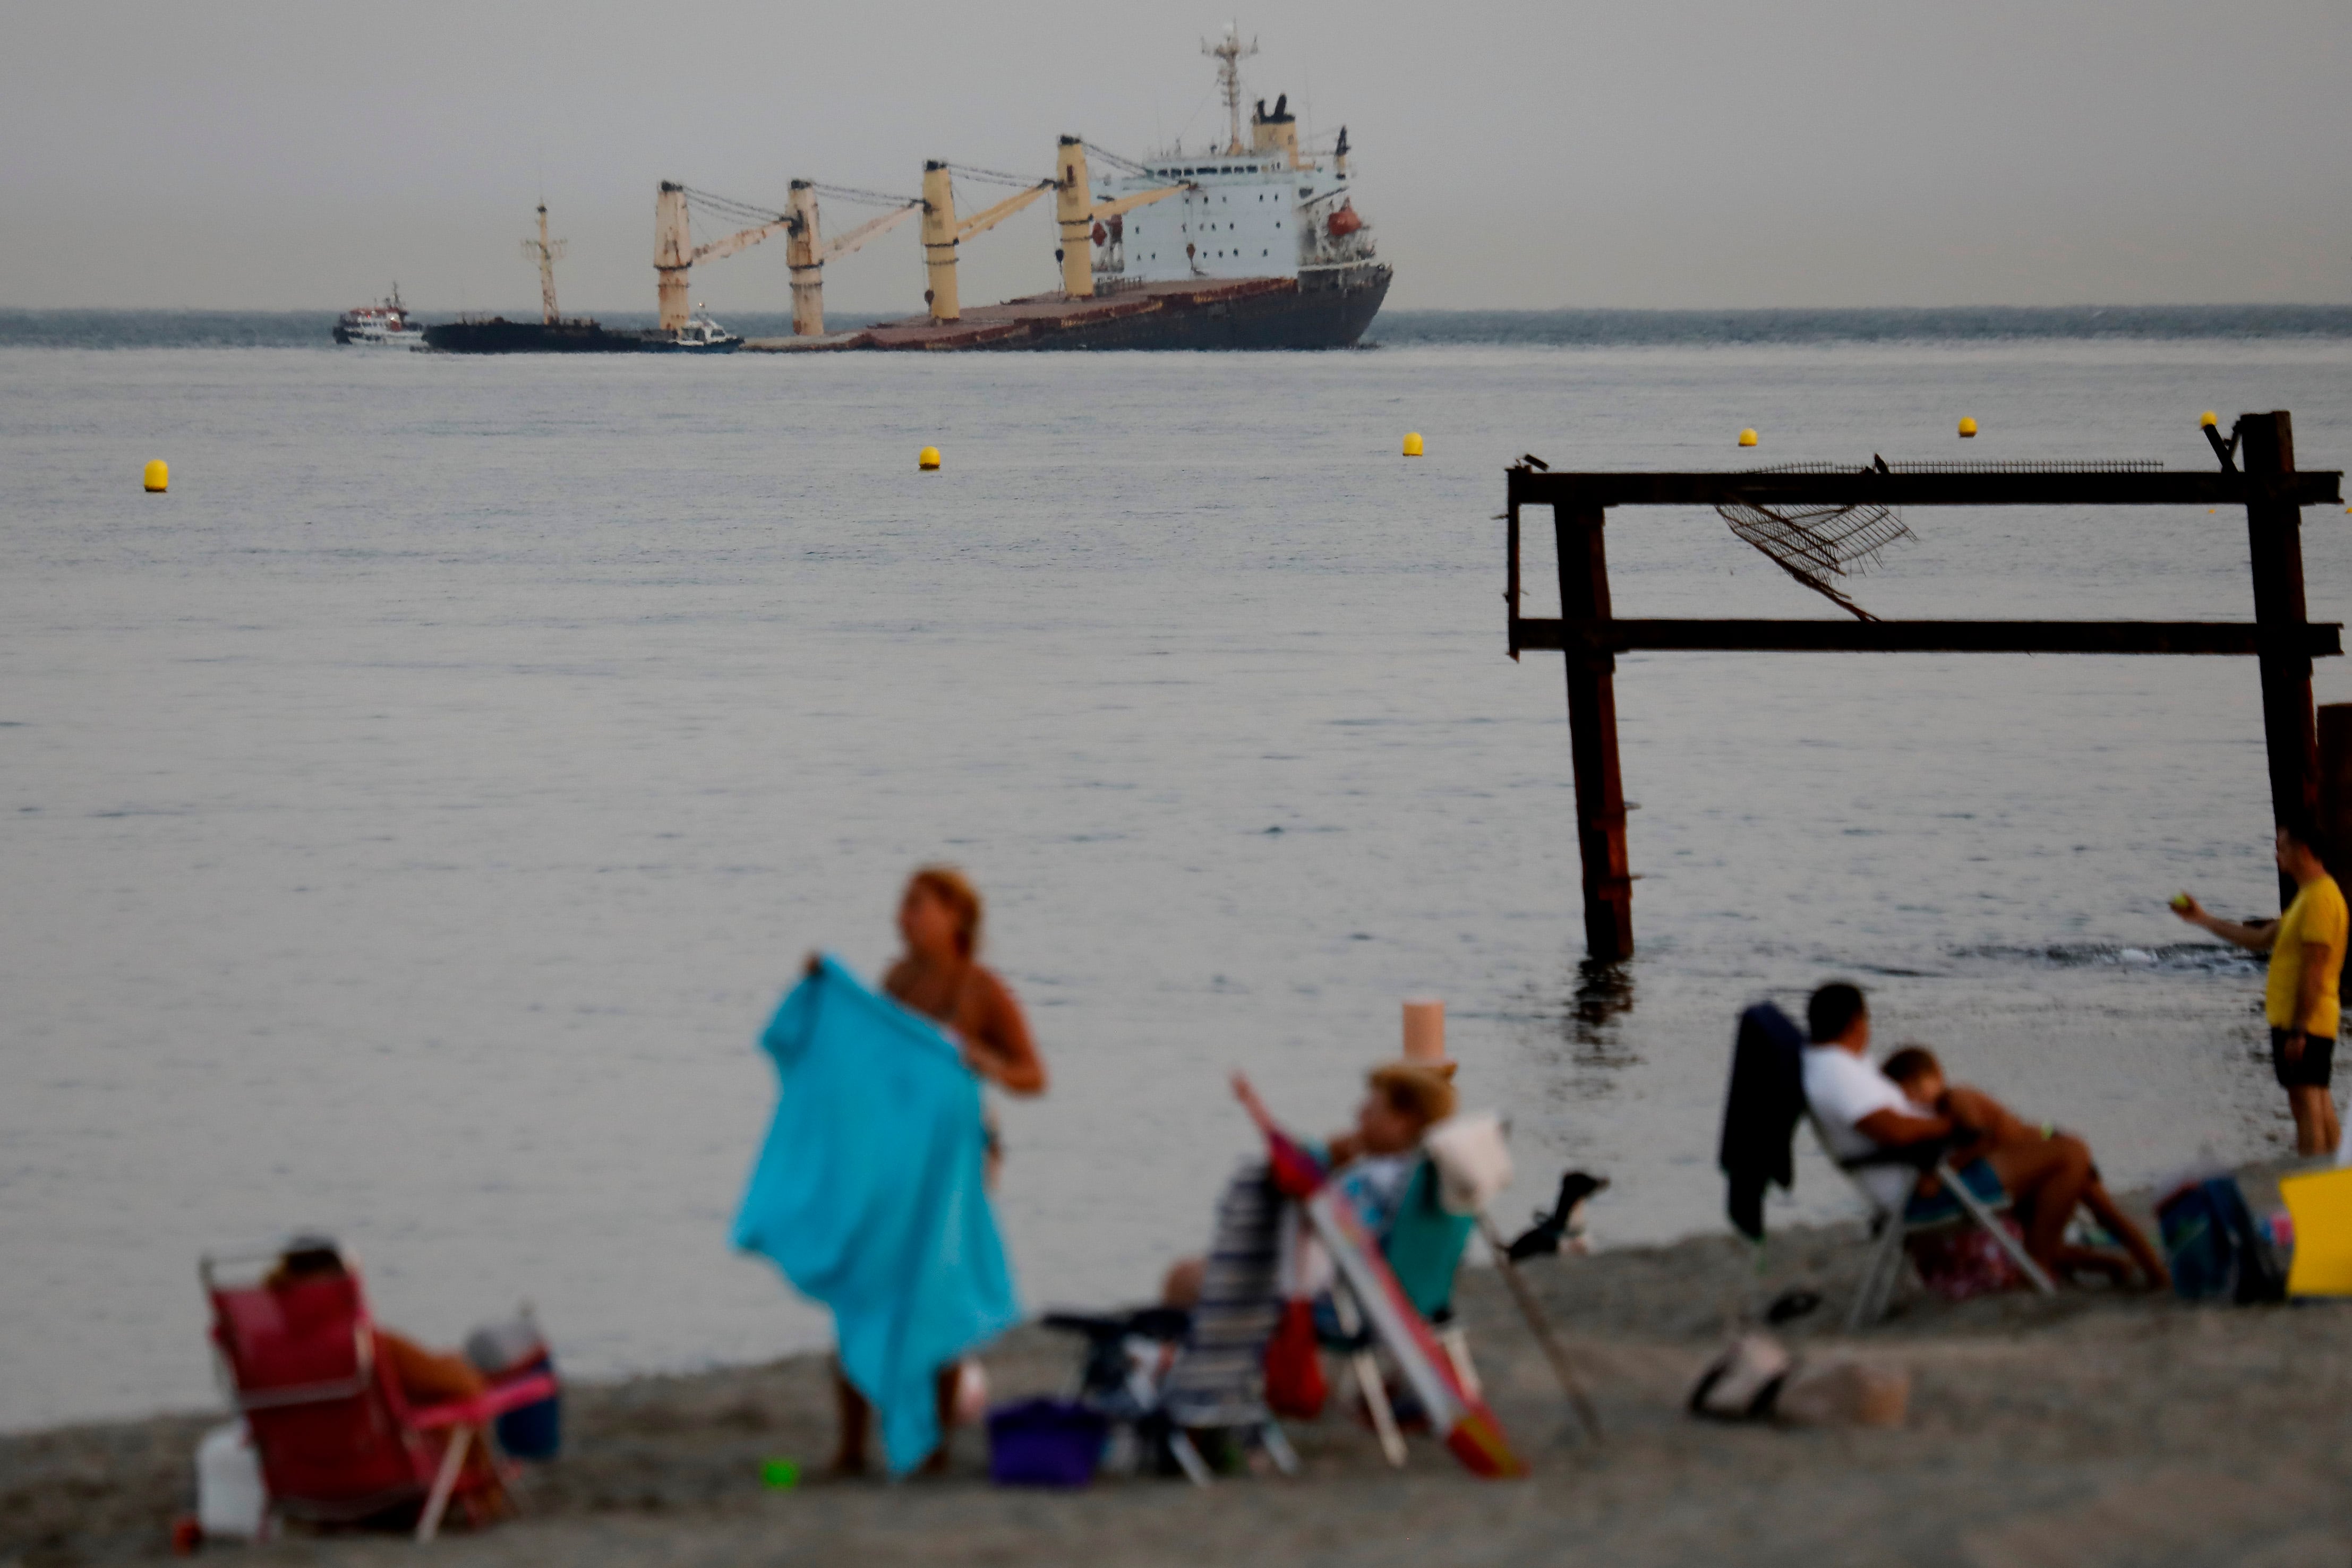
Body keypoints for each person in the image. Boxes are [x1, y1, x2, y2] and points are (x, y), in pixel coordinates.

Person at [826, 864, 1046, 1477]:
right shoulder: (896, 981)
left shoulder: (981, 991)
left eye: (916, 906)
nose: (902, 918)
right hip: (892, 1156)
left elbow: (1034, 1074)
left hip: (957, 1161)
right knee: (862, 1289)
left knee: (933, 1296)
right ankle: (852, 1447)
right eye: (903, 906)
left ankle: (934, 1446)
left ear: (954, 916)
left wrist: (983, 1060)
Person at [1801, 981, 2105, 1279]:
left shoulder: (1837, 1065)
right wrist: (1953, 1126)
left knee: (2051, 1148)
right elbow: (1895, 1131)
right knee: (2069, 1154)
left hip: (1936, 1171)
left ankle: (2075, 1259)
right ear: (1857, 1023)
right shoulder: (1834, 1072)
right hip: (1928, 1189)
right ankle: (2039, 1267)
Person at [1161, 1061, 1459, 1308]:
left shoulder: (1375, 1180)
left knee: (1183, 1278)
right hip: (1400, 1299)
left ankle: (1185, 1371)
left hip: (1338, 1302)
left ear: (1404, 1122)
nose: (1358, 1114)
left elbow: (1326, 1227)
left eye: (1372, 1108)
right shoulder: (1427, 1177)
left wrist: (1325, 1157)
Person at [1881, 1045, 2167, 1289]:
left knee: (2106, 1215)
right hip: (2030, 1171)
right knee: (2037, 1239)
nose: (1912, 1102)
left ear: (1935, 1078)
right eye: (1906, 1096)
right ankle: (2115, 1266)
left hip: (2049, 1152)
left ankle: (2157, 1273)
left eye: (1915, 1091)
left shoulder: (1957, 1098)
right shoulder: (1936, 1115)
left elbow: (1980, 1139)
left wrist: (1943, 1174)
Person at [2171, 820, 2348, 1156]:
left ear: (2305, 851)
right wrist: (2202, 918)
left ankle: (2319, 1195)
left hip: (2306, 1020)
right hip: (2300, 1019)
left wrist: (2299, 1030)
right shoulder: (2306, 899)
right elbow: (2257, 939)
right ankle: (2338, 1192)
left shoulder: (2321, 900)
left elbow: (2315, 968)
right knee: (2317, 1103)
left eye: (2282, 847)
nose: (2276, 854)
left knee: (2307, 1107)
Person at [267, 1238, 487, 1408]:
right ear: (347, 1291)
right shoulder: (368, 1348)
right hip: (387, 1460)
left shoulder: (266, 1355)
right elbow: (463, 1386)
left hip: (301, 1461)